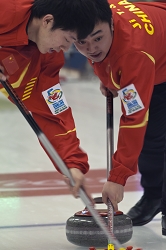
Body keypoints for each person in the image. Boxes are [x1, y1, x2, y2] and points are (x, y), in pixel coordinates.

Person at [72, 0, 166, 236]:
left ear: (112, 24)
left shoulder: (133, 53)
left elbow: (135, 119)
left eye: (97, 38)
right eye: (81, 42)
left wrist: (118, 177)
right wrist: (111, 79)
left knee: (151, 133)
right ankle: (155, 196)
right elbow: (99, 54)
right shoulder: (93, 13)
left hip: (153, 57)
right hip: (153, 59)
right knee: (151, 140)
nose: (91, 48)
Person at [0, 0, 107, 202]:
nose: (65, 49)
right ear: (48, 21)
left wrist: (72, 164)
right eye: (68, 39)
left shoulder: (47, 58)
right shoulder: (6, 9)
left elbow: (52, 113)